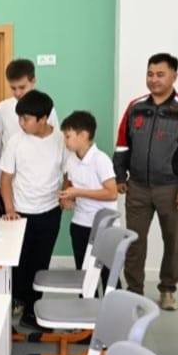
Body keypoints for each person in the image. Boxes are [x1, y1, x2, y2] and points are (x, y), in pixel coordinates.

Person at [113, 53, 178, 311]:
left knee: (173, 241)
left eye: (160, 74)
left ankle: (167, 289)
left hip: (172, 189)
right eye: (150, 74)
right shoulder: (135, 107)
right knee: (134, 241)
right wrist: (120, 175)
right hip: (137, 188)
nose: (154, 79)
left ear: (174, 76)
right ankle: (135, 291)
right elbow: (122, 145)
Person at [0, 89, 65, 329]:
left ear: (43, 118)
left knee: (40, 264)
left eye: (26, 119)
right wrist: (9, 209)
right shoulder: (16, 141)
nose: (21, 123)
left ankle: (32, 311)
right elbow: (6, 179)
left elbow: (68, 173)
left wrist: (66, 195)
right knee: (19, 265)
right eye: (19, 118)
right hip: (20, 214)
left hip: (50, 212)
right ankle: (15, 305)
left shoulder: (61, 140)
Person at [59, 110, 118, 269]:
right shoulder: (71, 160)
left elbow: (112, 193)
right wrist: (66, 199)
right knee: (83, 272)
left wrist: (78, 192)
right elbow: (68, 184)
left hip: (103, 226)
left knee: (106, 272)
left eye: (68, 136)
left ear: (83, 135)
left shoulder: (101, 159)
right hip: (79, 223)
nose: (65, 141)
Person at [0, 58, 60, 153]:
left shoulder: (47, 108)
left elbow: (55, 140)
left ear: (33, 81)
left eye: (22, 87)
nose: (18, 93)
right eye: (13, 88)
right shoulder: (1, 109)